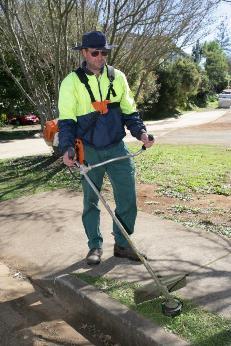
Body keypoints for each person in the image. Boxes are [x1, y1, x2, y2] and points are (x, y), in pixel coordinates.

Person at [58, 31, 154, 265]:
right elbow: (67, 120)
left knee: (128, 197)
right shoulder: (71, 82)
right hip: (89, 150)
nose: (100, 56)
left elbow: (130, 111)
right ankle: (94, 246)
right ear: (84, 53)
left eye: (104, 52)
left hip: (116, 147)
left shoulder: (118, 77)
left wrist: (141, 133)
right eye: (95, 52)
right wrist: (67, 148)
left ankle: (122, 244)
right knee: (91, 200)